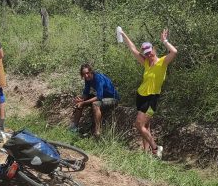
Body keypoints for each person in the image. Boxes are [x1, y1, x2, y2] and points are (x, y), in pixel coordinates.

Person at [119, 27, 177, 158]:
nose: (148, 55)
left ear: (153, 50)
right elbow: (133, 49)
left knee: (139, 125)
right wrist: (123, 34)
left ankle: (156, 148)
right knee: (145, 125)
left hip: (152, 99)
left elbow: (174, 52)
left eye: (150, 52)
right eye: (146, 53)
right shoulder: (145, 62)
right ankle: (146, 154)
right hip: (141, 96)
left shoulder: (162, 62)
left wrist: (165, 41)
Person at [68, 63, 119, 138]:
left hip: (113, 98)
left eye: (87, 73)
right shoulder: (87, 79)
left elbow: (99, 97)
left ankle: (97, 132)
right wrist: (81, 99)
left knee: (95, 104)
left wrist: (84, 102)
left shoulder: (98, 78)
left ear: (91, 71)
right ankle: (74, 127)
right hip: (103, 98)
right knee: (80, 103)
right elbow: (85, 93)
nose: (86, 75)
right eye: (84, 74)